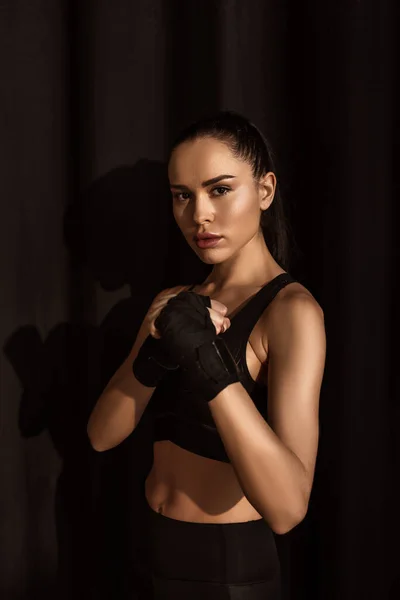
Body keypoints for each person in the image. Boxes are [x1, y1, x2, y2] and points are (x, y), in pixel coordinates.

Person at [87, 111, 327, 599]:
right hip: (144, 553)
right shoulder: (177, 302)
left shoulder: (291, 311)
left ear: (264, 190)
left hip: (224, 573)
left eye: (219, 189)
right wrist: (154, 353)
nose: (198, 215)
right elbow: (100, 436)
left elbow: (287, 509)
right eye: (182, 195)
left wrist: (207, 360)